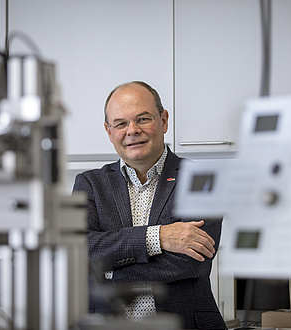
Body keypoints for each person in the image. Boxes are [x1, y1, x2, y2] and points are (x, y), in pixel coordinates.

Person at [72, 81, 227, 329]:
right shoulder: (90, 184)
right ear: (109, 131)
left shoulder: (203, 179)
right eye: (121, 123)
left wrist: (108, 273)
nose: (132, 130)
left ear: (164, 120)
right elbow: (81, 249)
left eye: (143, 119)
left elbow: (191, 261)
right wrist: (157, 237)